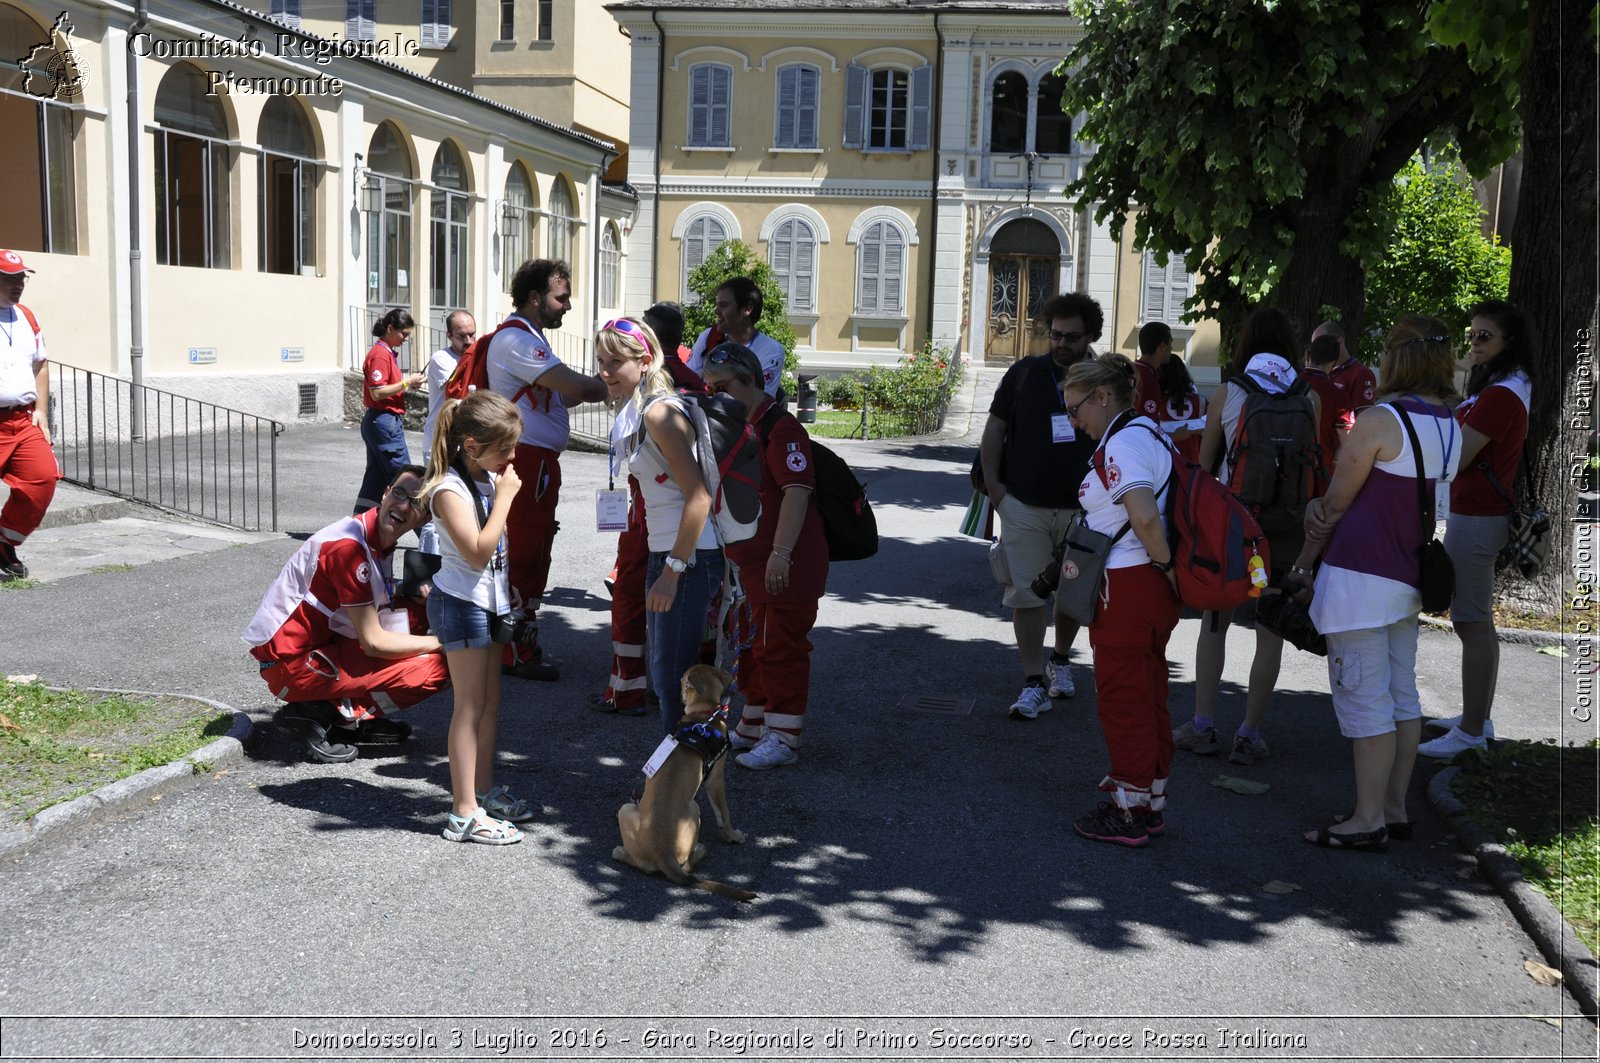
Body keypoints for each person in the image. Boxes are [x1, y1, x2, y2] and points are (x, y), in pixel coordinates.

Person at [1283, 316, 1461, 849]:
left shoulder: (1382, 419)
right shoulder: (1450, 421)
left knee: (1365, 699)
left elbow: (1335, 503)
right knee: (1401, 695)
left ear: (1396, 358)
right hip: (1408, 575)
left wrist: (1305, 558)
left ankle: (1367, 820)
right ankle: (1391, 807)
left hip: (1362, 575)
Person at [1175, 308, 1322, 765]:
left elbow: (1206, 466)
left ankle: (1202, 725)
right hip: (1286, 526)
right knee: (1269, 631)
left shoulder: (1229, 392)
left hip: (1236, 526)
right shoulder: (1308, 396)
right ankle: (1249, 732)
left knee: (1214, 624)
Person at [243, 466, 449, 763]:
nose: (403, 505)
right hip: (292, 667)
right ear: (385, 493)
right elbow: (374, 643)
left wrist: (404, 592)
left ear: (426, 518)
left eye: (416, 503)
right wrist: (442, 642)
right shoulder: (349, 548)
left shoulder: (374, 535)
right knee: (442, 665)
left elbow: (358, 595)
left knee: (420, 611)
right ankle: (331, 716)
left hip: (312, 650)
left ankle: (344, 714)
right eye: (399, 493)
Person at [1059, 354, 1180, 846]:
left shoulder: (1124, 443)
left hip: (1130, 583)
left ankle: (1128, 810)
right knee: (1148, 691)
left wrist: (1166, 566)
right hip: (1145, 584)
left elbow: (1145, 516)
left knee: (1123, 695)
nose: (1073, 420)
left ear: (1104, 396)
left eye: (1076, 408)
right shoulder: (1150, 432)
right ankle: (1150, 800)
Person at [595, 317, 726, 735]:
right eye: (601, 360)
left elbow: (700, 496)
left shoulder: (658, 414)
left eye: (615, 361)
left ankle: (678, 782)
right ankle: (677, 778)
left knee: (674, 682)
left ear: (646, 360)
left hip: (687, 558)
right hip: (670, 554)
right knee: (669, 678)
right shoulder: (641, 410)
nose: (605, 371)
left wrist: (671, 572)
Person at [703, 344, 829, 770]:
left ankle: (784, 736)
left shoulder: (782, 428)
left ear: (751, 380)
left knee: (780, 647)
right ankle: (755, 723)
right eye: (711, 388)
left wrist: (780, 553)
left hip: (785, 564)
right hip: (754, 565)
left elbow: (797, 491)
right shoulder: (741, 424)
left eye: (725, 386)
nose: (717, 395)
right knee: (753, 645)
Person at [979, 292, 1102, 719]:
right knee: (1027, 594)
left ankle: (1061, 660)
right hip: (1024, 504)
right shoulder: (1025, 374)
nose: (1062, 343)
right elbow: (995, 428)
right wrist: (996, 488)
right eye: (1055, 335)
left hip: (1083, 511)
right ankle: (1033, 682)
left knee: (1071, 592)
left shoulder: (1105, 380)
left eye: (1072, 336)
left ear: (1091, 336)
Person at [1419, 299, 1533, 759]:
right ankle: (1476, 719)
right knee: (1478, 621)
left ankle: (1469, 731)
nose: (1474, 343)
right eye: (1472, 335)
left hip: (1478, 516)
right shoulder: (1503, 387)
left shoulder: (1503, 394)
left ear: (1509, 341)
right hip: (1478, 514)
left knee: (1470, 622)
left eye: (1485, 336)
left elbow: (1456, 459)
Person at [488, 259, 609, 680]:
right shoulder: (520, 341)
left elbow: (560, 398)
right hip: (526, 459)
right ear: (535, 298)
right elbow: (577, 389)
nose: (568, 306)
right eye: (561, 297)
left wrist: (597, 385)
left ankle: (520, 644)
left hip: (535, 459)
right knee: (525, 547)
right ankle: (514, 650)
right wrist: (617, 378)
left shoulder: (528, 338)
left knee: (534, 546)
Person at [422, 389, 534, 845]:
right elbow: (475, 551)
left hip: (488, 601)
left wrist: (507, 586)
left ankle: (482, 791)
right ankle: (463, 813)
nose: (512, 456)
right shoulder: (448, 490)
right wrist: (507, 497)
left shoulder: (485, 479)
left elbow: (493, 552)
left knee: (489, 702)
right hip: (461, 603)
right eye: (504, 448)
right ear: (471, 446)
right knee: (468, 708)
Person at [0, 250, 56, 581]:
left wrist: (42, 411)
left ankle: (4, 543)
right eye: (10, 277)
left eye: (22, 277)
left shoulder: (26, 316)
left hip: (23, 420)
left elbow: (41, 363)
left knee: (42, 479)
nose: (18, 284)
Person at [418, 309, 478, 557]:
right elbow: (459, 393)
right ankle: (426, 572)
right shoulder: (441, 359)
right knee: (436, 512)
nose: (468, 341)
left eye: (473, 335)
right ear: (449, 336)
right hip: (439, 444)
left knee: (465, 506)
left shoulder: (474, 356)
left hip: (465, 443)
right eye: (462, 336)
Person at [355, 309, 423, 515]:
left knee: (375, 479)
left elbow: (385, 389)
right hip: (384, 422)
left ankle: (358, 526)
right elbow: (377, 393)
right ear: (390, 329)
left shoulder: (384, 353)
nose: (406, 339)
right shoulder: (380, 355)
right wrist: (406, 382)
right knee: (407, 478)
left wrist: (406, 385)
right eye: (404, 334)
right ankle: (426, 532)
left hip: (380, 421)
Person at [1302, 319, 1378, 492]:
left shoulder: (1360, 374)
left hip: (1330, 466)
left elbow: (1363, 426)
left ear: (1340, 342)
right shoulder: (1322, 378)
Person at [686, 277, 785, 397]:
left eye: (723, 305)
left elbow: (761, 401)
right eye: (717, 305)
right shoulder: (709, 337)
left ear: (747, 309)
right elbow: (688, 382)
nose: (716, 311)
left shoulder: (770, 350)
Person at [1138, 321, 1206, 463]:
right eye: (1170, 343)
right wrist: (1177, 435)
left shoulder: (1141, 373)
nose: (1172, 348)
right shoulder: (1148, 381)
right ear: (1162, 346)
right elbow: (1146, 431)